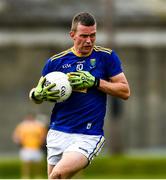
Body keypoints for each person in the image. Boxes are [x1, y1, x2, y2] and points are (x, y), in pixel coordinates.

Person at [29, 12, 130, 179]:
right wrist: (37, 94)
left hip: (87, 135)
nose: (89, 40)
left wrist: (96, 82)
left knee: (58, 176)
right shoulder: (56, 62)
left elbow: (125, 91)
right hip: (58, 131)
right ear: (72, 35)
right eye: (84, 36)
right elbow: (36, 93)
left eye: (93, 35)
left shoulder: (106, 57)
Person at [12, 113, 47, 179]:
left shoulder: (39, 125)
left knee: (38, 163)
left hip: (36, 147)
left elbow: (43, 135)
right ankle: (25, 176)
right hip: (26, 147)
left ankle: (38, 176)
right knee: (26, 163)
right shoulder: (22, 126)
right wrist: (18, 142)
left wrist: (41, 143)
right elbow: (16, 135)